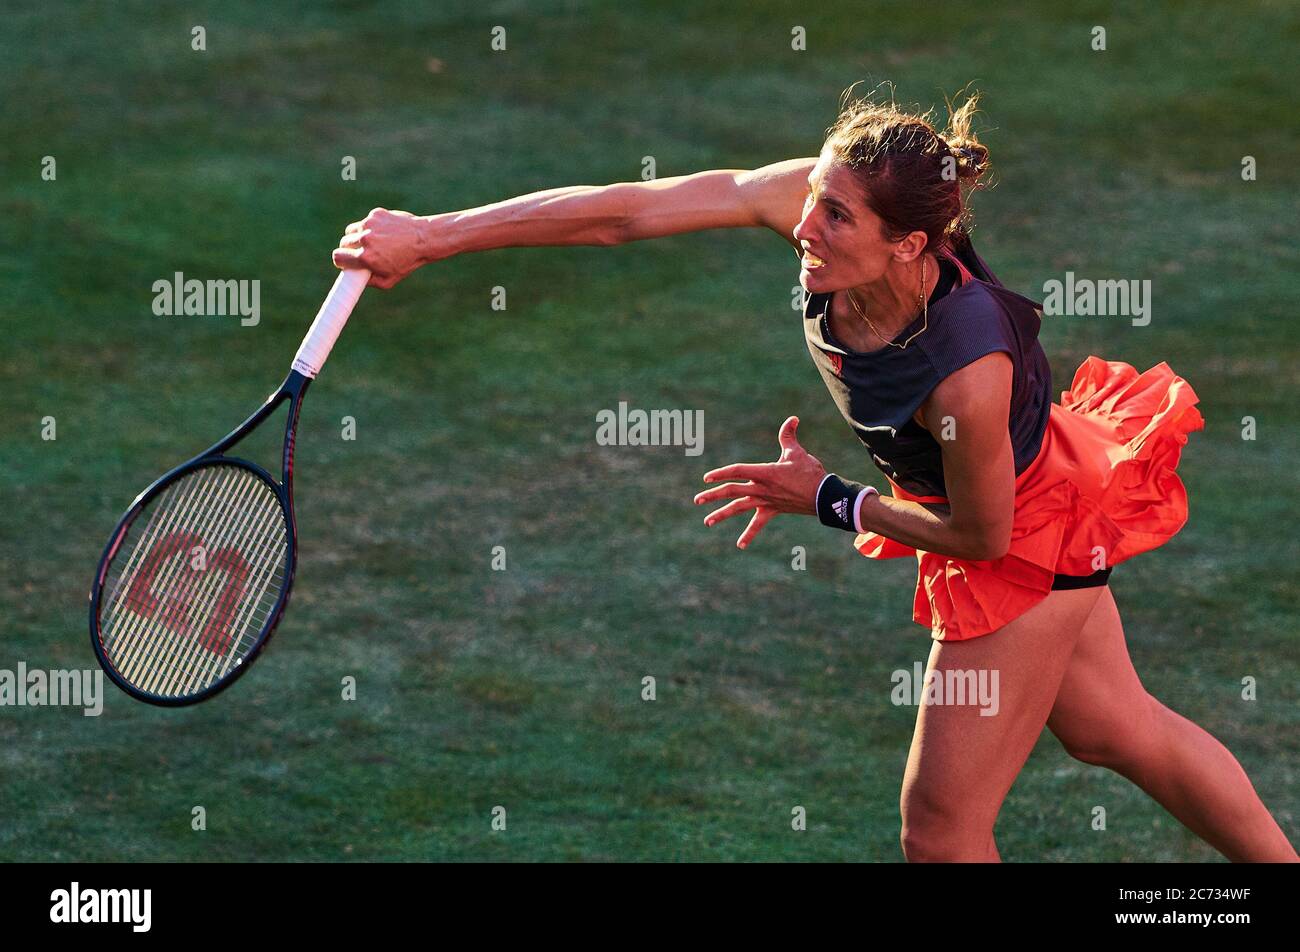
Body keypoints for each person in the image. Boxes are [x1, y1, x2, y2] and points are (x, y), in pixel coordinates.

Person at [332, 88, 1297, 863]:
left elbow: (985, 537)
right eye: (813, 198)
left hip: (1022, 534)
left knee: (940, 829)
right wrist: (435, 233)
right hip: (1016, 496)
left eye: (837, 217)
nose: (806, 226)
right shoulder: (826, 210)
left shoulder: (964, 366)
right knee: (1112, 730)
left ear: (909, 246)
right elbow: (628, 215)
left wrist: (829, 499)